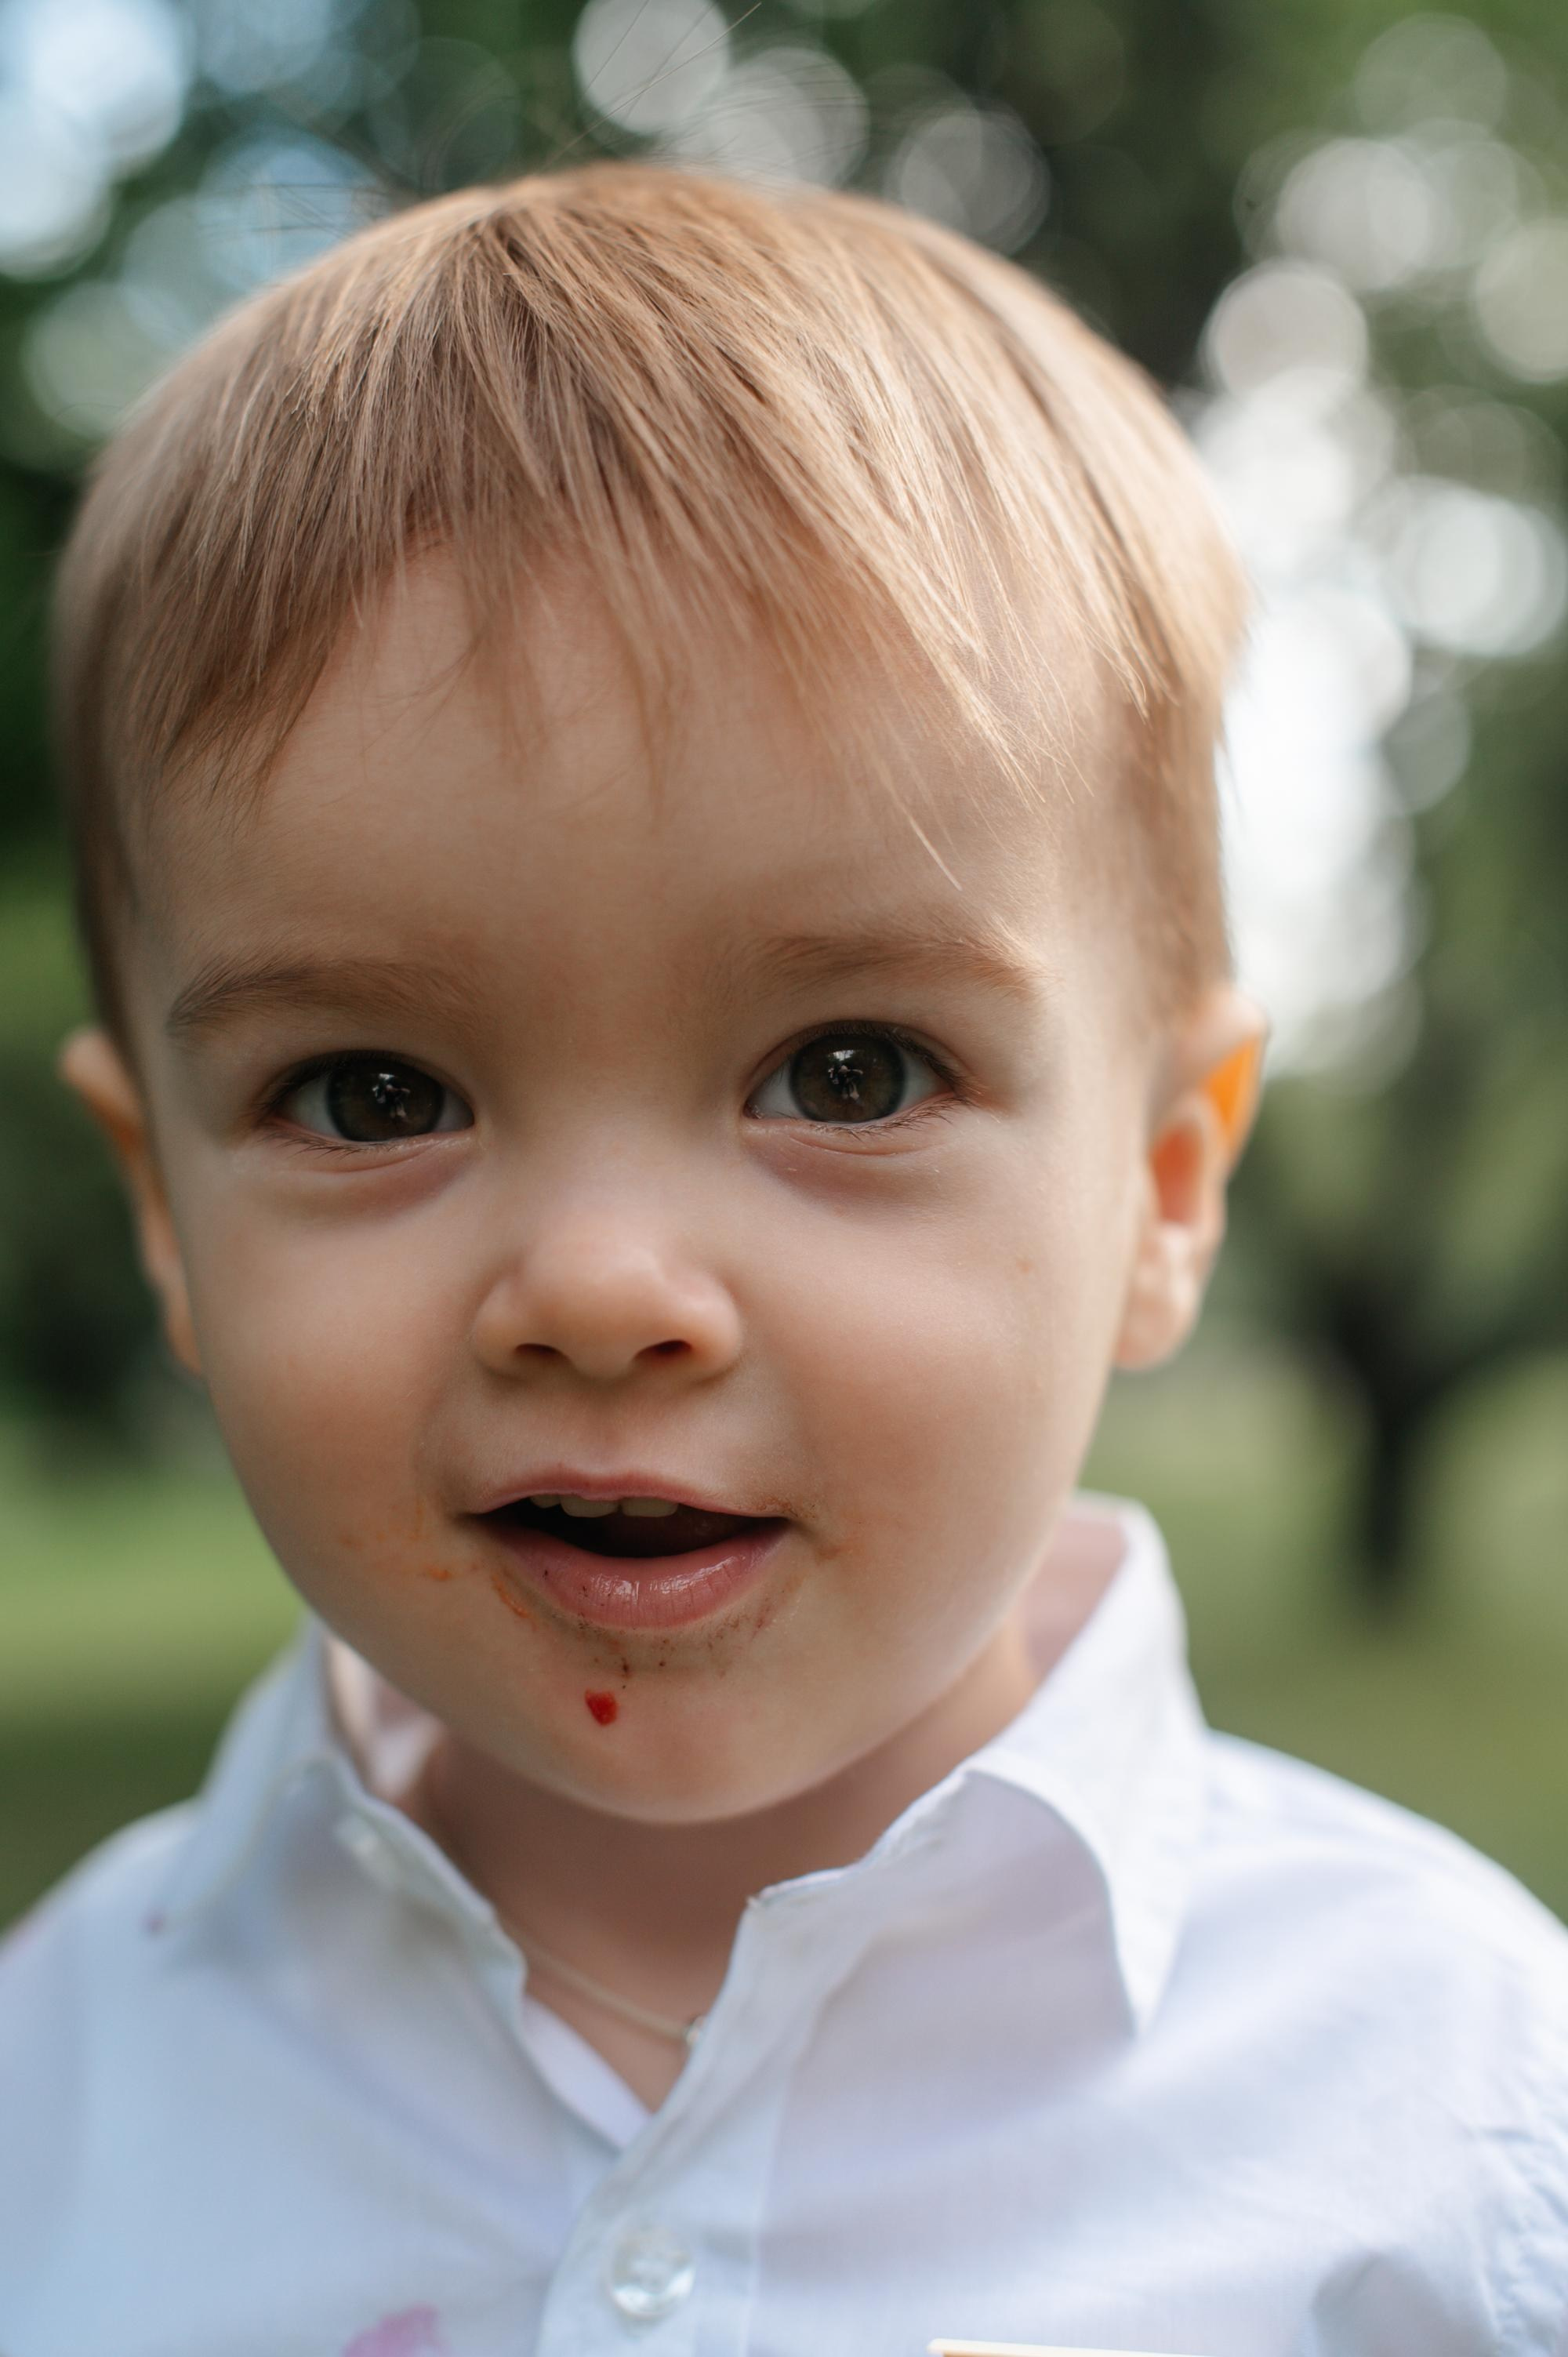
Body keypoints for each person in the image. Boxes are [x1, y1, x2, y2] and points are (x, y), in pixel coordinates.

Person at [1, 163, 1563, 2357]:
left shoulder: (1463, 2118)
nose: (605, 1287)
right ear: (164, 1201)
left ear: (1168, 1186)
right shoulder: (54, 2096)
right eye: (374, 1095)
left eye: (846, 1072)